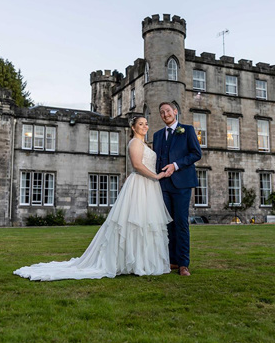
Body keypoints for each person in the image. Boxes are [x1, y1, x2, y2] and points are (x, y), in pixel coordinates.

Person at [13, 117, 172, 281]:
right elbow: (138, 165)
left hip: (150, 186)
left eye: (146, 123)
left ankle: (142, 261)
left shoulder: (146, 144)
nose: (145, 126)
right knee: (135, 222)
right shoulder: (135, 143)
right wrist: (157, 176)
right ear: (133, 127)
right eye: (140, 124)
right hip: (140, 184)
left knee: (147, 222)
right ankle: (131, 261)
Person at [153, 102, 202, 277]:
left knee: (181, 223)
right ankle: (171, 261)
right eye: (161, 112)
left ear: (175, 112)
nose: (165, 114)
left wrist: (175, 165)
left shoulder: (187, 130)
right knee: (167, 224)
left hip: (182, 184)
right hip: (163, 185)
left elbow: (196, 153)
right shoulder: (157, 135)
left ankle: (183, 264)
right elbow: (155, 159)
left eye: (167, 110)